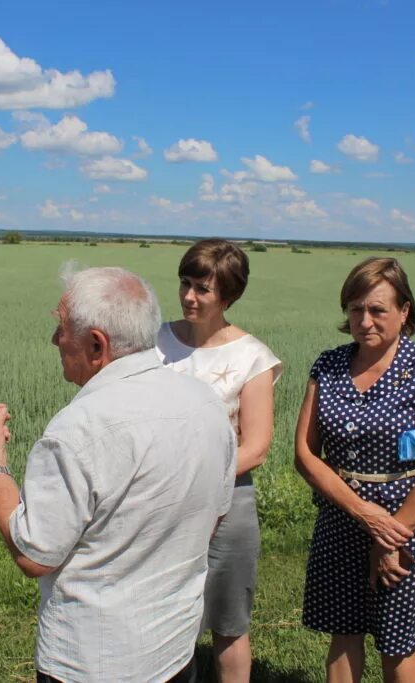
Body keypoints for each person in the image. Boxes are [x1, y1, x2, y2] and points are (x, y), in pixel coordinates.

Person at [0, 265, 237, 683]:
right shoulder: (206, 403)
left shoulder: (78, 430)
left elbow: (33, 553)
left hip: (96, 660)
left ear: (97, 344)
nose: (54, 340)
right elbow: (214, 516)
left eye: (61, 328)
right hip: (176, 648)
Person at [293, 257, 415, 683]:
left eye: (377, 309)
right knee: (343, 631)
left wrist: (388, 537)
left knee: (397, 640)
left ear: (404, 311)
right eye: (355, 309)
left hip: (407, 522)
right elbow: (306, 454)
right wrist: (363, 513)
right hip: (340, 516)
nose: (364, 320)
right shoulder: (328, 366)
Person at [155, 239, 282, 683]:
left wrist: (196, 482)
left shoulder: (253, 358)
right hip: (157, 501)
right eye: (185, 284)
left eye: (202, 289)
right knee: (163, 617)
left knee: (228, 625)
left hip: (228, 504)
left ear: (229, 296)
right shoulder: (156, 342)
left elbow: (257, 447)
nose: (189, 296)